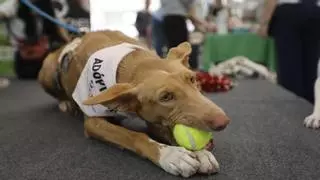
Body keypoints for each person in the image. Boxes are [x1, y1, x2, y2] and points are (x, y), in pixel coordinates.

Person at [257, 0, 320, 103]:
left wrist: (264, 23)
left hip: (289, 14)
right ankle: (310, 110)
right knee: (311, 68)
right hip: (314, 12)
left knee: (289, 70)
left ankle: (290, 111)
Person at [0, 0, 69, 79]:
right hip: (23, 56)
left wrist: (68, 42)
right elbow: (3, 12)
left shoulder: (47, 5)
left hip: (44, 55)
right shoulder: (14, 4)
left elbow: (60, 26)